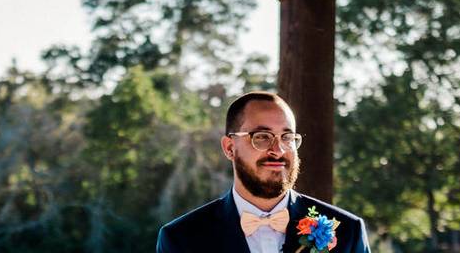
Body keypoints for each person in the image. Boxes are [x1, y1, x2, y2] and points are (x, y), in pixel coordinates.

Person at [157, 92, 370, 253]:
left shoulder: (347, 232)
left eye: (287, 137)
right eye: (261, 137)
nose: (278, 150)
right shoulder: (181, 239)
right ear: (230, 148)